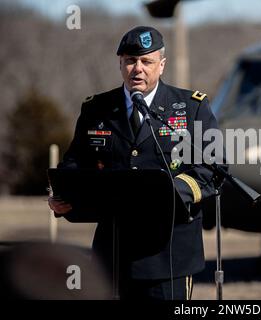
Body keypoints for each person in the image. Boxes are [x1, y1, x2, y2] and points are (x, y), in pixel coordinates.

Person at [48, 26, 221, 300]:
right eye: (130, 60)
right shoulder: (97, 109)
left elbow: (212, 169)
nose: (137, 69)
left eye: (146, 61)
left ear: (161, 65)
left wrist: (168, 192)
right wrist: (63, 194)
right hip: (113, 253)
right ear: (120, 64)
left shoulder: (191, 107)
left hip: (168, 253)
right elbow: (75, 163)